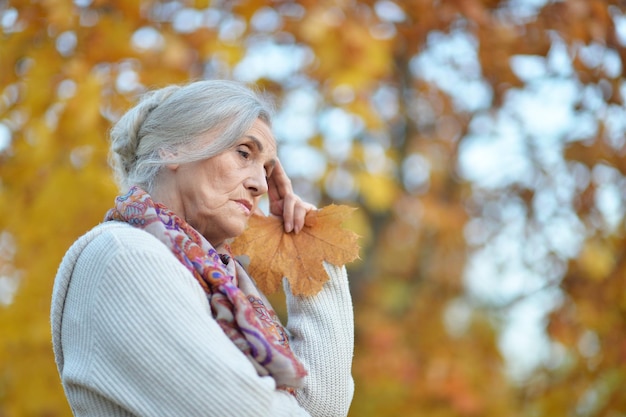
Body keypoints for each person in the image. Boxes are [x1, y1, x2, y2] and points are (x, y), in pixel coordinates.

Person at [50, 80, 354, 416]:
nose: (259, 185)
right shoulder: (125, 256)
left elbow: (325, 408)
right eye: (244, 153)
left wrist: (307, 247)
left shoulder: (222, 282)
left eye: (266, 170)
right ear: (173, 147)